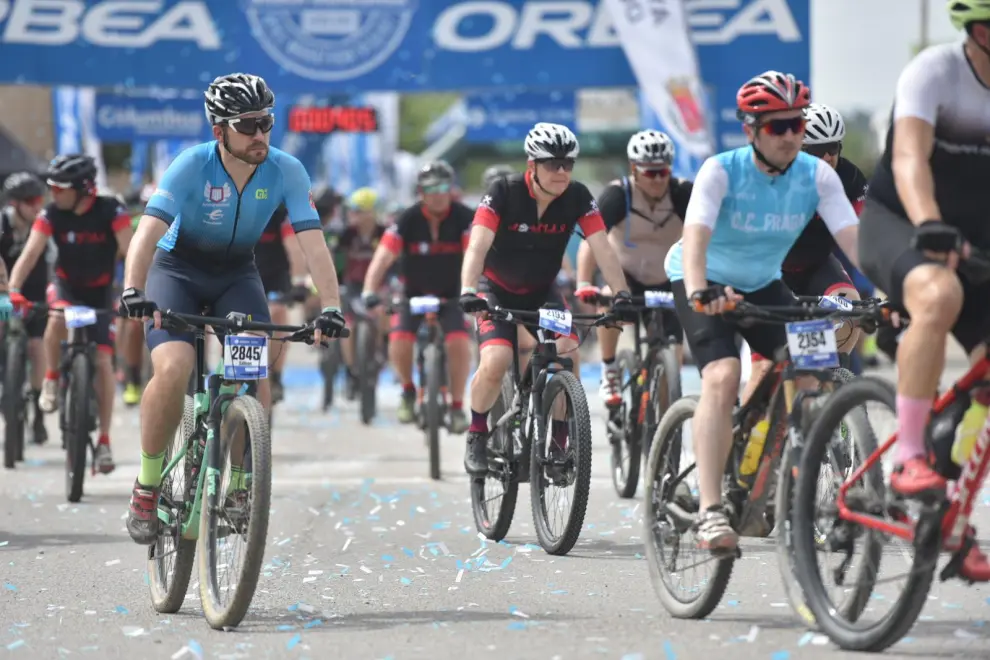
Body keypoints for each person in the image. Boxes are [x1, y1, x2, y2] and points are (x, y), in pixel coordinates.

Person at [117, 72, 346, 545]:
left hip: (237, 273)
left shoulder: (287, 170)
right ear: (219, 130)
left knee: (253, 367)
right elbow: (146, 233)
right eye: (248, 124)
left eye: (266, 122)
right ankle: (147, 483)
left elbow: (314, 245)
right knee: (176, 365)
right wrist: (134, 290)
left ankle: (242, 483)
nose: (261, 134)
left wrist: (332, 307)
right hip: (177, 270)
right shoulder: (189, 166)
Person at [665, 71, 860, 552]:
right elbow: (695, 242)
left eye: (796, 124)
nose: (791, 135)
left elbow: (858, 242)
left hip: (764, 284)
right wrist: (697, 292)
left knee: (813, 366)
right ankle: (711, 511)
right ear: (751, 130)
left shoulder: (818, 176)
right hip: (704, 279)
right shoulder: (721, 170)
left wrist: (901, 289)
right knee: (723, 374)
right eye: (777, 127)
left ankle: (797, 476)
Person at [857, 1, 990, 580]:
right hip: (903, 222)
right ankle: (909, 457)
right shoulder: (937, 72)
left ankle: (951, 515)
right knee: (938, 296)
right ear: (981, 30)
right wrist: (930, 223)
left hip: (979, 243)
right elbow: (910, 156)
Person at [459, 122, 636, 475]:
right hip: (495, 289)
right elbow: (477, 245)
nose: (561, 171)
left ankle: (558, 443)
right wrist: (467, 290)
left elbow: (602, 246)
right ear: (532, 165)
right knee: (497, 359)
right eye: (552, 163)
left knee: (567, 353)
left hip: (543, 292)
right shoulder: (503, 192)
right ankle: (477, 433)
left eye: (568, 164)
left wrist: (621, 295)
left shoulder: (578, 196)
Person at [9, 156, 134, 474]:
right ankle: (51, 378)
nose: (51, 193)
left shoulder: (112, 211)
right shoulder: (52, 213)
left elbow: (131, 253)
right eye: (48, 186)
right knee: (57, 317)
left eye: (58, 187)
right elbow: (31, 252)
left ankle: (104, 441)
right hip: (66, 287)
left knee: (104, 362)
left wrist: (136, 294)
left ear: (83, 189)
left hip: (101, 292)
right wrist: (13, 289)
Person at [740, 102, 870, 404]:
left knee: (851, 309)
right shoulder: (774, 178)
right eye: (817, 149)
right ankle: (740, 445)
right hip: (770, 271)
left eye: (833, 148)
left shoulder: (849, 178)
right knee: (763, 367)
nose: (827, 157)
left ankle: (832, 392)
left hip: (816, 267)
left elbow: (861, 239)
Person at [574, 130, 692, 407]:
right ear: (634, 170)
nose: (658, 180)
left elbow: (708, 236)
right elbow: (592, 241)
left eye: (663, 172)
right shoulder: (617, 195)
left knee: (672, 357)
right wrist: (583, 283)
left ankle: (664, 425)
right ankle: (609, 368)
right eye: (650, 173)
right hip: (625, 277)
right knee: (608, 298)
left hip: (667, 279)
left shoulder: (682, 193)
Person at [361, 162, 474, 433]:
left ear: (452, 190)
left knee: (459, 342)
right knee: (400, 337)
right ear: (421, 192)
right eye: (431, 188)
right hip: (413, 294)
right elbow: (383, 257)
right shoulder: (407, 219)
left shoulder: (464, 217)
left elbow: (476, 255)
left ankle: (457, 405)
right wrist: (369, 290)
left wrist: (478, 290)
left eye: (444, 187)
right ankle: (408, 390)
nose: (438, 194)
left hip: (452, 296)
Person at [331, 187, 386, 395]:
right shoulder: (347, 234)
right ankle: (351, 369)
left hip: (379, 286)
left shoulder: (384, 233)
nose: (353, 215)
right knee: (348, 328)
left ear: (371, 212)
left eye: (358, 210)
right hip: (352, 286)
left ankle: (381, 350)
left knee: (384, 314)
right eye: (352, 210)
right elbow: (336, 260)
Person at [0, 173, 42, 441]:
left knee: (37, 345)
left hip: (36, 283)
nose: (36, 207)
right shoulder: (3, 222)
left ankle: (38, 409)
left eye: (39, 200)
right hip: (4, 286)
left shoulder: (44, 222)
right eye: (30, 202)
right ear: (15, 204)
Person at [254, 203, 308, 403]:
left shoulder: (279, 214)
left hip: (275, 278)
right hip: (243, 276)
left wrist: (300, 282)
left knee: (276, 314)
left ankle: (276, 374)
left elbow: (294, 249)